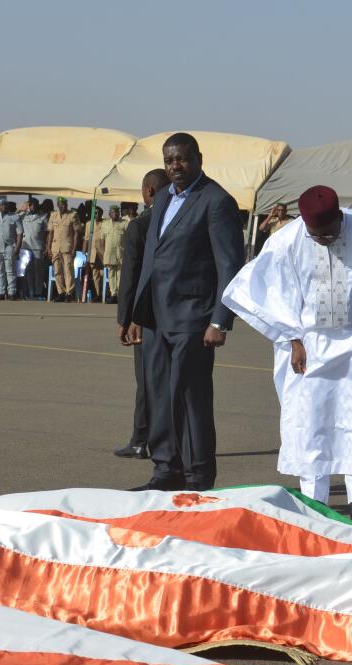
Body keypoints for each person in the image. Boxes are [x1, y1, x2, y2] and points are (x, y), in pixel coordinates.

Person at [222, 186, 352, 521]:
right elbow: (274, 291)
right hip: (310, 342)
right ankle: (314, 500)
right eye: (316, 237)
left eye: (330, 234)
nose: (324, 242)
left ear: (341, 218)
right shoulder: (287, 240)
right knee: (310, 421)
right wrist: (292, 339)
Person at [127, 132, 244, 491]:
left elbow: (230, 264)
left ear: (199, 159)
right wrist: (136, 313)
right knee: (159, 394)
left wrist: (220, 319)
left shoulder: (216, 201)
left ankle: (198, 475)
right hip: (156, 318)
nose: (175, 166)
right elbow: (151, 258)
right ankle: (166, 469)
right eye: (169, 161)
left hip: (194, 318)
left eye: (182, 159)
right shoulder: (162, 197)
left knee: (190, 397)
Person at [115, 168, 169, 461]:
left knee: (147, 380)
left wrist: (125, 319)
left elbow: (131, 277)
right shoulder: (180, 220)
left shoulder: (140, 226)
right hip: (179, 314)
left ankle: (140, 439)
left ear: (149, 191)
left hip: (146, 316)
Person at [0, 201, 24, 300]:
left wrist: (18, 247)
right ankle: (1, 292)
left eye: (5, 205)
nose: (4, 207)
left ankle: (12, 292)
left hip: (9, 247)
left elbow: (20, 233)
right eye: (2, 206)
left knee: (10, 270)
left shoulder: (14, 217)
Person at [46, 197, 81, 302]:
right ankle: (60, 292)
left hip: (67, 248)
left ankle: (69, 293)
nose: (64, 206)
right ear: (57, 204)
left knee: (68, 271)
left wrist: (74, 248)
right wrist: (48, 247)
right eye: (61, 204)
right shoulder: (53, 215)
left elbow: (76, 234)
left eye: (65, 204)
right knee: (57, 271)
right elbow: (50, 233)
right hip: (55, 247)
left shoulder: (72, 215)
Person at [20, 198, 49, 299]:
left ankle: (38, 292)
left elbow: (47, 232)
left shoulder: (43, 216)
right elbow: (13, 218)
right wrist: (21, 209)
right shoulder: (23, 216)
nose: (32, 206)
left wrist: (47, 246)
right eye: (30, 204)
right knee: (27, 270)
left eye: (34, 204)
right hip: (26, 247)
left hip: (38, 247)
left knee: (38, 271)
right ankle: (29, 292)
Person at [97, 205, 128, 299]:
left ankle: (119, 294)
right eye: (113, 212)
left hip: (120, 253)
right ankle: (113, 293)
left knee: (120, 273)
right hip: (109, 253)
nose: (116, 214)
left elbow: (129, 238)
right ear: (110, 214)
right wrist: (103, 254)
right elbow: (101, 241)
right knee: (111, 273)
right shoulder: (105, 224)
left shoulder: (124, 223)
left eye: (117, 212)